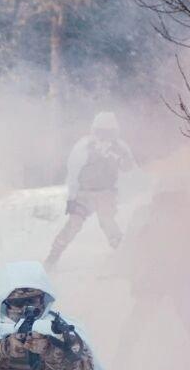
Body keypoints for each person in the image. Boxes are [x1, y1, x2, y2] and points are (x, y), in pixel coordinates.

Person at [45, 112, 136, 269]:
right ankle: (52, 258)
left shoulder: (119, 147)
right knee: (73, 225)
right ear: (95, 131)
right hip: (84, 195)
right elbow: (73, 170)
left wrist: (118, 158)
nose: (105, 136)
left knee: (108, 224)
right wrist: (72, 196)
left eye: (109, 132)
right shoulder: (85, 146)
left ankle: (124, 257)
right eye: (102, 132)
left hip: (106, 194)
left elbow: (130, 170)